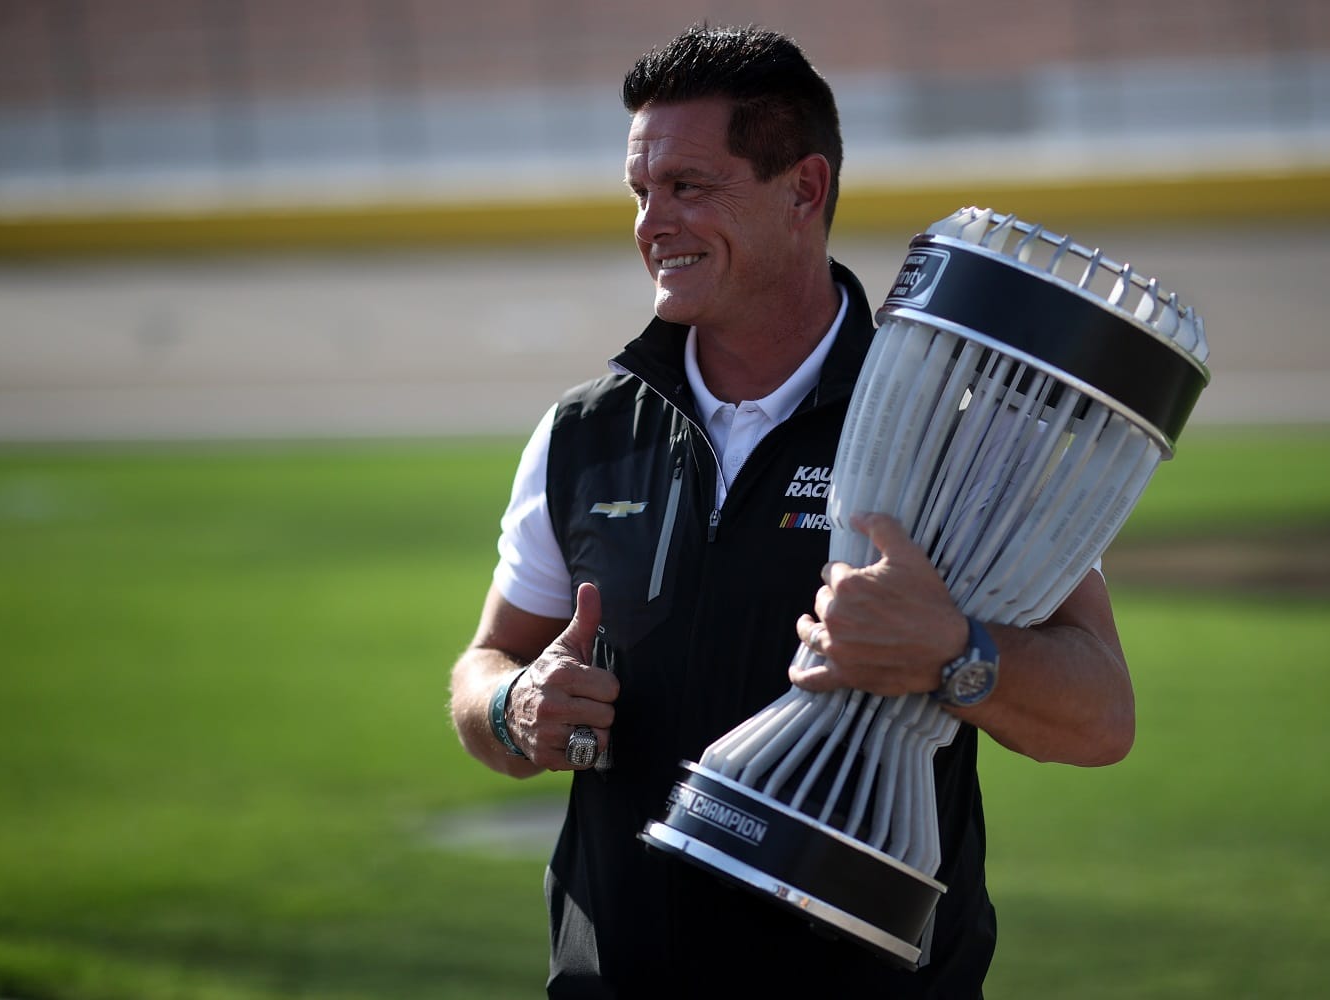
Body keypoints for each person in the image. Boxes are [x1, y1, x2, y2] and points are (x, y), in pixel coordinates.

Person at [448, 22, 1134, 998]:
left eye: (690, 186)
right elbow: (485, 665)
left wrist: (955, 652)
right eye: (642, 192)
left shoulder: (946, 431)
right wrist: (516, 709)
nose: (654, 222)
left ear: (803, 189)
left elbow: (1101, 713)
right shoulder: (586, 432)